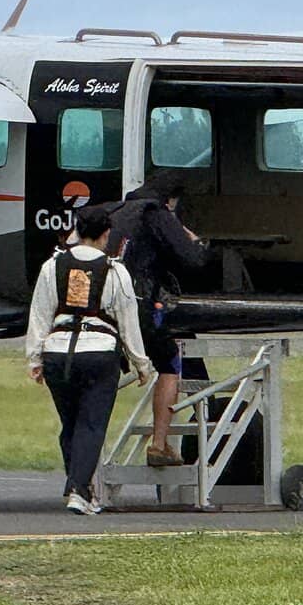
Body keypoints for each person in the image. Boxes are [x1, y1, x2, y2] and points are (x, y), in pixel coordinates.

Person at [26, 205, 153, 515]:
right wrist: (141, 363)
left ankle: (78, 484)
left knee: (70, 425)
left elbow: (39, 314)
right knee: (92, 424)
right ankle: (79, 490)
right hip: (99, 353)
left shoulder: (52, 266)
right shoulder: (114, 270)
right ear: (106, 235)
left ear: (77, 231)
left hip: (57, 352)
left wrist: (34, 357)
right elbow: (127, 320)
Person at [106, 172, 208, 467]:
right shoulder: (158, 214)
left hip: (104, 308)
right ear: (170, 199)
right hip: (140, 306)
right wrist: (196, 241)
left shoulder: (117, 212)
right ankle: (159, 443)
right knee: (169, 364)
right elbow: (192, 259)